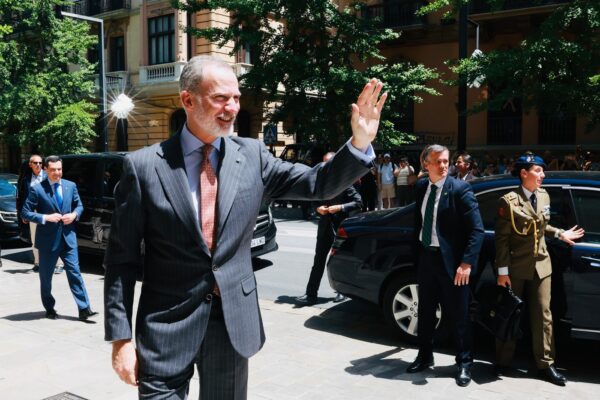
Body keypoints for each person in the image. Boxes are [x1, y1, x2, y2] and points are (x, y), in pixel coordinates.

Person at [104, 55, 387, 399]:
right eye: (220, 98)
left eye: (236, 97)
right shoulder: (144, 167)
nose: (233, 108)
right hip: (165, 327)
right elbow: (121, 261)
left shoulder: (253, 155)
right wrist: (121, 339)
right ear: (188, 100)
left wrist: (359, 144)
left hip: (231, 324)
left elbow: (318, 183)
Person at [494, 153, 584, 385]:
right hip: (515, 266)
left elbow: (541, 225)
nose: (543, 175)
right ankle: (502, 360)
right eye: (538, 171)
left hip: (541, 265)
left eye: (542, 171)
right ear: (524, 173)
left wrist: (559, 233)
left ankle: (546, 364)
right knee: (511, 313)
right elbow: (502, 240)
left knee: (544, 315)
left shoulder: (544, 196)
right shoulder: (508, 201)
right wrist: (502, 272)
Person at [405, 144, 484, 387]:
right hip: (426, 258)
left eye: (445, 161)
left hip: (452, 264)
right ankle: (424, 356)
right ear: (426, 164)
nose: (443, 166)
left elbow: (477, 230)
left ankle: (464, 363)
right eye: (437, 161)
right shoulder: (421, 187)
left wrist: (466, 263)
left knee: (459, 315)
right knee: (425, 312)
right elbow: (419, 222)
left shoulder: (460, 189)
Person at [21, 156, 98, 321]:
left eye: (59, 169)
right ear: (46, 170)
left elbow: (79, 205)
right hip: (48, 241)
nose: (57, 173)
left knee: (75, 273)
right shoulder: (37, 189)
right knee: (46, 278)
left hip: (68, 238)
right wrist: (45, 217)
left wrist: (74, 214)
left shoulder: (70, 186)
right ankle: (49, 308)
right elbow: (25, 212)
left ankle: (84, 308)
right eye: (53, 170)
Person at [296, 152, 363, 305]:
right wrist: (317, 208)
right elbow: (314, 200)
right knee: (318, 261)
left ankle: (341, 292)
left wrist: (339, 207)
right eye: (324, 163)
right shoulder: (320, 181)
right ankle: (310, 294)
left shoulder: (344, 181)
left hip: (340, 227)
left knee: (339, 261)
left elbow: (358, 202)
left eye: (329, 163)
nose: (326, 166)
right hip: (324, 227)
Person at [17, 154, 65, 274]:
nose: (38, 165)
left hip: (49, 210)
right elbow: (22, 196)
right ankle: (38, 263)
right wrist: (24, 214)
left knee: (54, 237)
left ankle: (59, 264)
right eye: (35, 163)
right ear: (30, 165)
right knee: (35, 238)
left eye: (40, 162)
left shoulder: (48, 175)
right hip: (33, 212)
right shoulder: (26, 178)